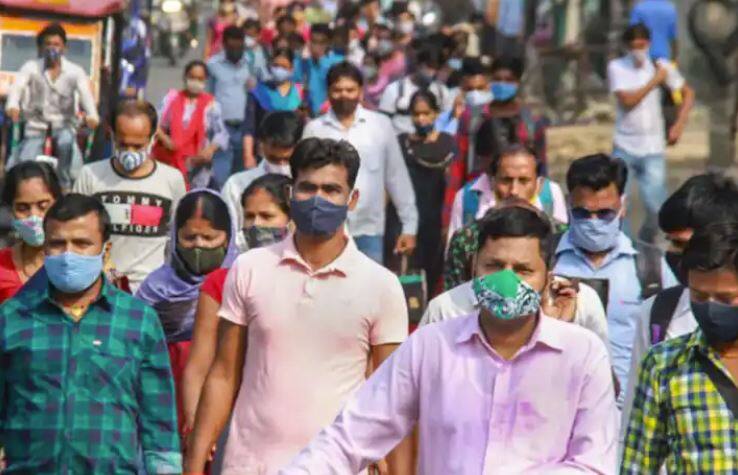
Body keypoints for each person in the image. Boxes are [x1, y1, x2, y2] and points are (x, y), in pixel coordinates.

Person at [280, 205, 618, 474]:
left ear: (547, 276)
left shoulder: (582, 355)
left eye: (523, 270)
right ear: (474, 269)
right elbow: (351, 436)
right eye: (494, 266)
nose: (506, 281)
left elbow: (593, 465)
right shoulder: (431, 347)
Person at [184, 138, 412, 473]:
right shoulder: (250, 269)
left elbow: (392, 395)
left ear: (352, 200)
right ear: (291, 194)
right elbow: (223, 374)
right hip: (250, 465)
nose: (318, 199)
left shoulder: (381, 286)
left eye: (331, 190)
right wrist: (193, 463)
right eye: (307, 188)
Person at [0, 193, 180, 472]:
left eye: (82, 243)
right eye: (57, 244)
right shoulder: (12, 318)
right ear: (45, 248)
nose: (68, 254)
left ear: (105, 250)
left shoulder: (139, 320)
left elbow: (159, 424)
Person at [619, 173, 738, 450]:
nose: (675, 254)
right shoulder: (657, 314)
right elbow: (636, 427)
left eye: (685, 245)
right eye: (672, 243)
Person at [553, 154, 675, 404]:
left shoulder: (650, 267)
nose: (594, 223)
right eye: (583, 213)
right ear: (568, 205)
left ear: (623, 206)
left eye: (605, 213)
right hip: (558, 406)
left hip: (629, 409)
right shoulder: (546, 261)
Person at [181, 173, 292, 434]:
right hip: (230, 419)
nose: (256, 225)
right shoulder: (222, 282)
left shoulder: (310, 280)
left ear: (291, 221)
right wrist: (197, 428)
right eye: (249, 217)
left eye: (267, 216)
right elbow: (198, 367)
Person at [136, 189, 238, 433]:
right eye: (189, 238)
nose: (198, 245)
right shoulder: (156, 287)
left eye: (209, 237)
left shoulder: (241, 282)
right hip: (166, 391)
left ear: (228, 238)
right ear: (175, 237)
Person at [303, 61, 418, 263]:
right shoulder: (315, 129)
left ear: (360, 92)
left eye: (350, 90)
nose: (344, 95)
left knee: (369, 283)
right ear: (328, 92)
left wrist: (409, 226)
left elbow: (396, 176)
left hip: (369, 230)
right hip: (324, 229)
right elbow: (302, 180)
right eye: (338, 90)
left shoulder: (380, 125)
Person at [73, 100, 187, 292]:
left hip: (152, 292)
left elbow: (177, 237)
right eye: (123, 144)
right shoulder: (90, 176)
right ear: (112, 136)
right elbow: (75, 232)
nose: (130, 152)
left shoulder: (172, 180)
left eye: (138, 146)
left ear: (153, 138)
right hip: (102, 288)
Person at [608, 23, 694, 243]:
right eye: (634, 46)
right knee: (618, 204)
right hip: (625, 144)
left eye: (642, 45)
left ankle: (648, 238)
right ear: (627, 46)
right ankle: (627, 246)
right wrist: (655, 80)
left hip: (653, 146)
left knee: (657, 205)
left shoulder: (661, 65)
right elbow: (628, 101)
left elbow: (688, 93)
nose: (638, 51)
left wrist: (679, 125)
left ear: (648, 44)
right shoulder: (618, 67)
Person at [5, 23, 99, 189]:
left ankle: (64, 187)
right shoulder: (30, 67)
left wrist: (92, 115)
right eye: (47, 44)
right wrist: (12, 106)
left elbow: (85, 95)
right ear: (41, 48)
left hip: (64, 126)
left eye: (56, 44)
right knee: (23, 164)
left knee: (69, 157)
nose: (52, 48)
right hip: (36, 126)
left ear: (64, 48)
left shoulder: (75, 71)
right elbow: (17, 89)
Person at [384, 90, 457, 288]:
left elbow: (452, 181)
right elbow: (389, 183)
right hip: (403, 219)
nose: (421, 119)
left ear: (436, 114)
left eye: (426, 113)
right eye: (416, 114)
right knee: (403, 274)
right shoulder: (401, 143)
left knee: (433, 272)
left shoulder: (447, 144)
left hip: (434, 218)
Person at [446, 144, 567, 253]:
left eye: (524, 180)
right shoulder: (466, 237)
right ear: (493, 181)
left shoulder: (558, 232)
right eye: (506, 180)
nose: (514, 191)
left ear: (538, 182)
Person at [222, 111, 302, 243]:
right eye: (274, 159)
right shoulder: (236, 185)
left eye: (287, 160)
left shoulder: (309, 187)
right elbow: (229, 237)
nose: (281, 166)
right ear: (261, 147)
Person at [153, 60, 229, 185]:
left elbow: (221, 133)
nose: (195, 82)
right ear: (185, 77)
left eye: (200, 78)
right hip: (170, 160)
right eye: (192, 77)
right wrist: (166, 139)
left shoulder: (211, 105)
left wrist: (209, 150)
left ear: (205, 80)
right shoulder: (171, 99)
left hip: (197, 164)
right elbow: (154, 123)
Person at [207, 25, 265, 181]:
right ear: (224, 45)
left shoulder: (251, 62)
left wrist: (257, 52)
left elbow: (264, 80)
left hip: (245, 128)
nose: (235, 51)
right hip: (221, 127)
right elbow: (207, 96)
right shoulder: (213, 65)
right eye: (231, 47)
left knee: (242, 174)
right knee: (221, 173)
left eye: (239, 47)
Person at [0, 161, 62, 303]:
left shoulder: (79, 262)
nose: (34, 217)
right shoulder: (2, 265)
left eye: (43, 206)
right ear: (11, 210)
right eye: (23, 208)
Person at [243, 48, 303, 169]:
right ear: (270, 66)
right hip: (264, 153)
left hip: (291, 155)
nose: (279, 69)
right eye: (276, 65)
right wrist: (248, 155)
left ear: (291, 68)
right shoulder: (259, 92)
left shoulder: (300, 93)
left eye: (284, 66)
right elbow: (249, 127)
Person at [379, 45, 454, 135]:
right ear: (418, 64)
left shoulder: (442, 91)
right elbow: (382, 122)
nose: (432, 72)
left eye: (436, 68)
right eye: (429, 66)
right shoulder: (395, 89)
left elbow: (448, 119)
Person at [300, 23, 345, 117]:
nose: (317, 46)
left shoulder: (339, 63)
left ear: (329, 43)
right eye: (313, 41)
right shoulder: (304, 62)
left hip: (332, 116)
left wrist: (326, 107)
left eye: (322, 42)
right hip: (309, 116)